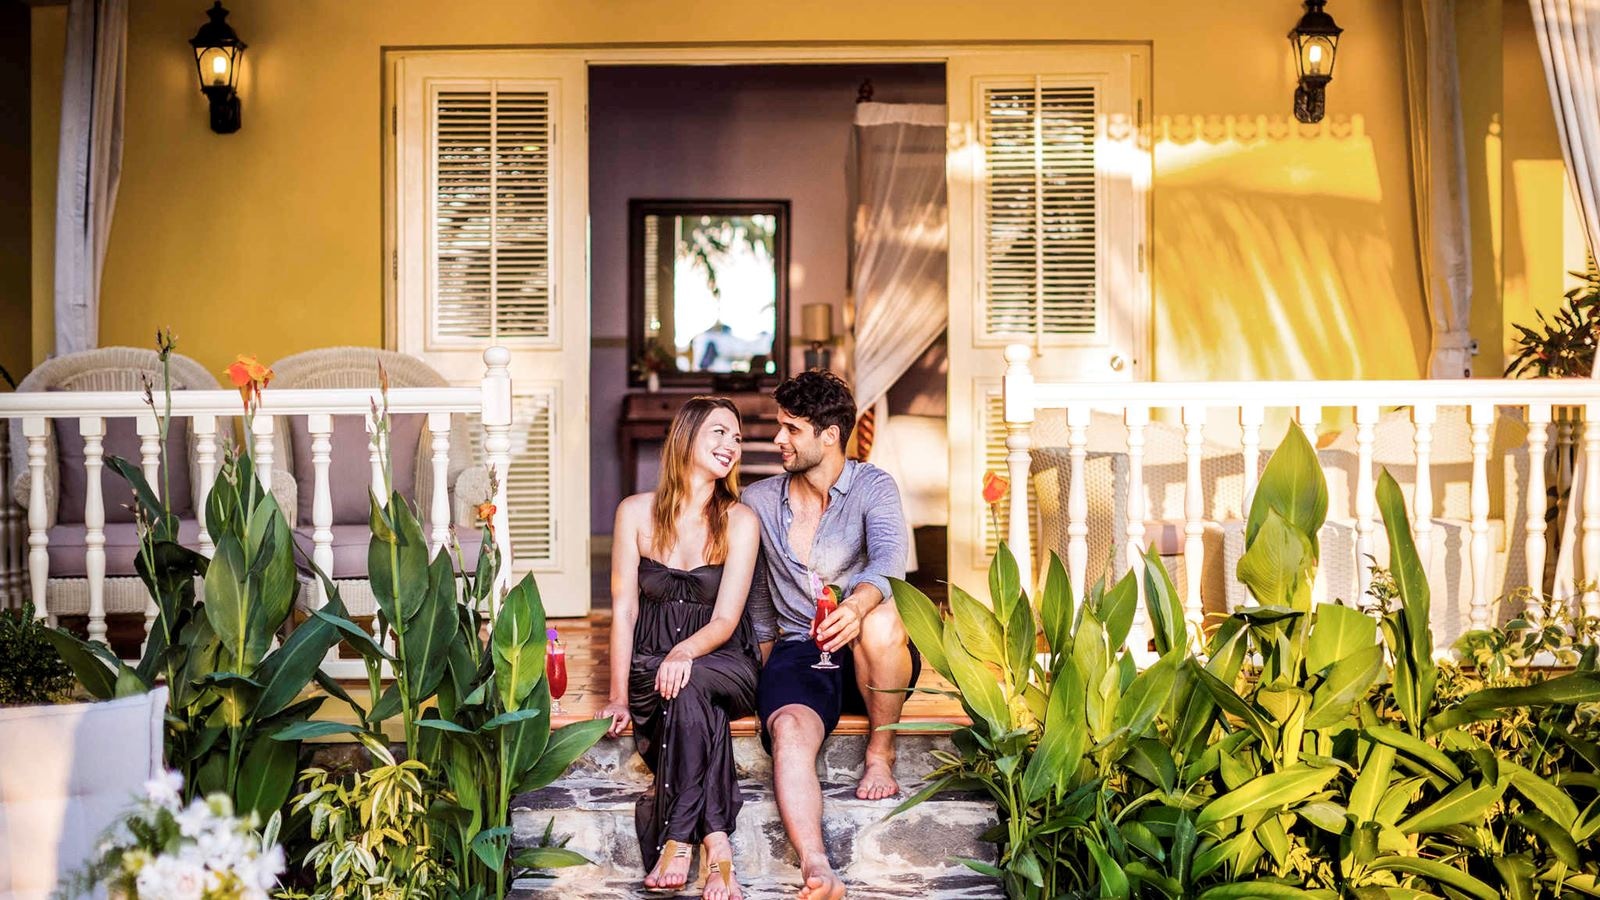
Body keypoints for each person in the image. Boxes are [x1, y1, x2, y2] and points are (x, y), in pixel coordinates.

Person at [742, 371, 918, 900]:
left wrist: (859, 604)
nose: (778, 440)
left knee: (884, 619)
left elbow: (891, 562)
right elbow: (756, 600)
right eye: (780, 427)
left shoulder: (873, 485)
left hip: (868, 650)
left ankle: (880, 751)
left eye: (791, 429)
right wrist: (770, 673)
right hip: (800, 647)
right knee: (790, 730)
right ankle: (817, 866)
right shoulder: (757, 500)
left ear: (830, 435)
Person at [598, 396, 762, 900]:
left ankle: (676, 838)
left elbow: (727, 619)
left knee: (690, 683)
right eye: (718, 432)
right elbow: (624, 610)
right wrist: (620, 696)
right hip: (653, 663)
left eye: (736, 437)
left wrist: (685, 652)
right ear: (686, 437)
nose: (730, 445)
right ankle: (717, 844)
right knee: (689, 699)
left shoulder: (741, 520)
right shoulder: (634, 513)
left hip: (724, 659)